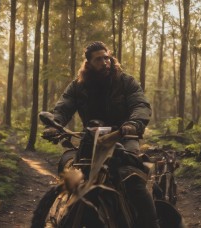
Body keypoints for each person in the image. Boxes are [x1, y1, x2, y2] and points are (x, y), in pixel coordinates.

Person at [43, 41, 159, 228]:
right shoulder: (78, 86)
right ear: (88, 63)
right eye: (99, 59)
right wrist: (55, 126)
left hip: (123, 137)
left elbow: (140, 104)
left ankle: (152, 225)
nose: (105, 62)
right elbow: (63, 107)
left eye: (107, 57)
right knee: (74, 174)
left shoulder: (125, 82)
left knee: (132, 178)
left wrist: (133, 124)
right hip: (90, 140)